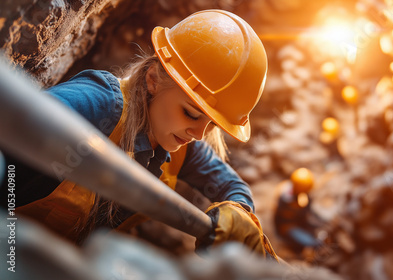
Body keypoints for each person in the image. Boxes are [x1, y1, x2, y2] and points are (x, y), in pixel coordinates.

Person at [0, 9, 276, 259]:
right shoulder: (98, 105)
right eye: (191, 113)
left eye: (213, 124)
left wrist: (239, 213)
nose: (199, 134)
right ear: (153, 79)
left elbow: (233, 186)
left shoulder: (179, 143)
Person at [274, 168, 324, 254]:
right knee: (312, 242)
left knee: (319, 226)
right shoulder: (287, 199)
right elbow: (299, 215)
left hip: (297, 221)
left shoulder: (294, 190)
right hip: (287, 227)